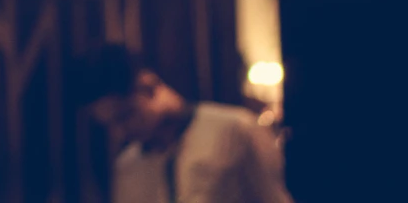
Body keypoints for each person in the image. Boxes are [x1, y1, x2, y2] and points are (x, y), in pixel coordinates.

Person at [73, 45, 293, 203]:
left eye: (125, 116)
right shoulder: (128, 165)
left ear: (148, 86)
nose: (121, 132)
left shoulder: (233, 129)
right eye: (111, 125)